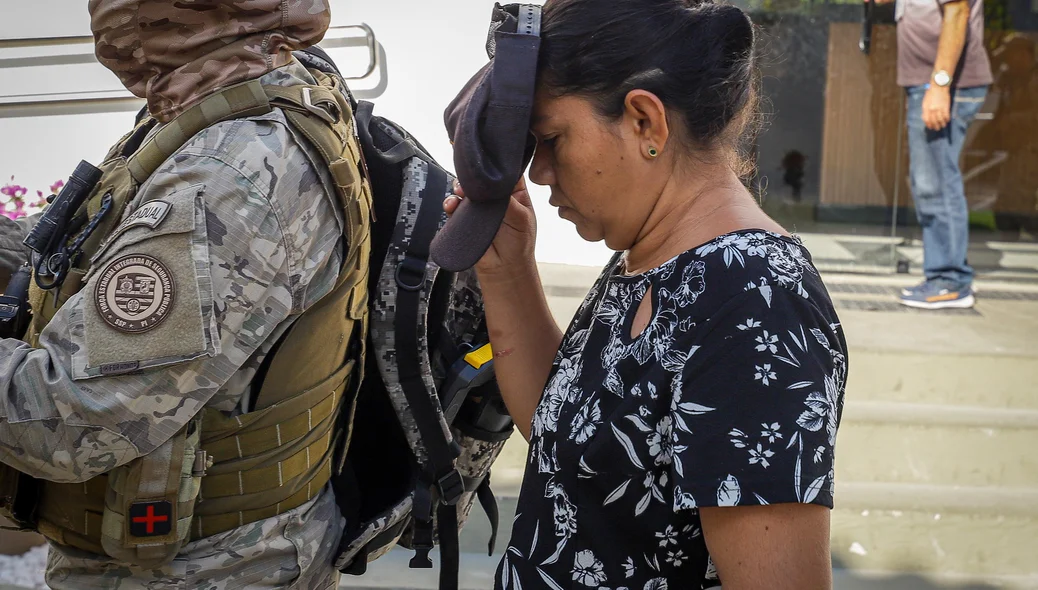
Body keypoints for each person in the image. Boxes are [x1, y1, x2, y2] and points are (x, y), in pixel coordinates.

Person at [443, 0, 847, 587]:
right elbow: (573, 445)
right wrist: (508, 272)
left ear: (645, 123)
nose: (540, 172)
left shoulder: (754, 302)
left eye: (552, 138)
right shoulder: (649, 259)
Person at [0, 1, 365, 588]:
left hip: (200, 570)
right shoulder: (229, 96)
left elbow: (71, 423)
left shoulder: (230, 169)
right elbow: (85, 245)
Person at [888, 0, 993, 309]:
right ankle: (945, 277)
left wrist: (939, 84)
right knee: (930, 180)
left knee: (936, 181)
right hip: (928, 82)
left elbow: (957, 11)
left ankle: (951, 280)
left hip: (944, 83)